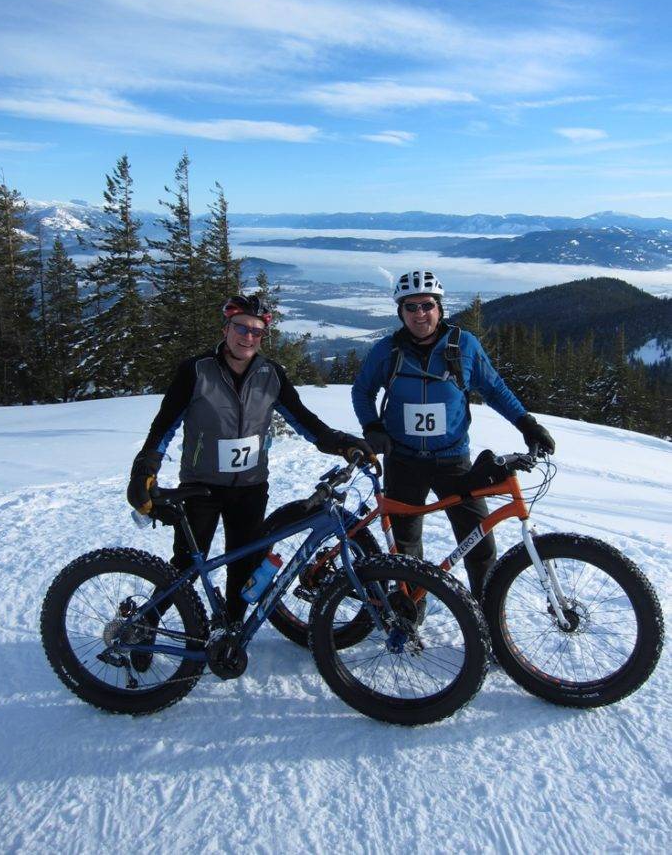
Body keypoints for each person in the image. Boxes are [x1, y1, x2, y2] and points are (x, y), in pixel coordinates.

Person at [127, 294, 372, 631]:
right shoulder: (197, 371)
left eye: (257, 332)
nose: (248, 337)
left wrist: (341, 443)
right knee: (185, 564)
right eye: (241, 328)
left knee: (243, 564)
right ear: (226, 329)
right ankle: (144, 626)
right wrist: (145, 468)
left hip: (250, 488)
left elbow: (304, 420)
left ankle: (230, 630)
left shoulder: (271, 374)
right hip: (201, 487)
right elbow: (164, 425)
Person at [352, 270, 554, 600]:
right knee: (405, 546)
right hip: (402, 460)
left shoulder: (464, 346)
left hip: (454, 460)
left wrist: (527, 424)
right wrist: (372, 427)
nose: (420, 314)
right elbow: (362, 391)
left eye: (427, 305)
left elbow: (495, 389)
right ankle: (409, 615)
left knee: (480, 543)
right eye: (411, 307)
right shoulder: (387, 351)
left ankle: (488, 617)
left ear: (440, 307)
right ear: (401, 313)